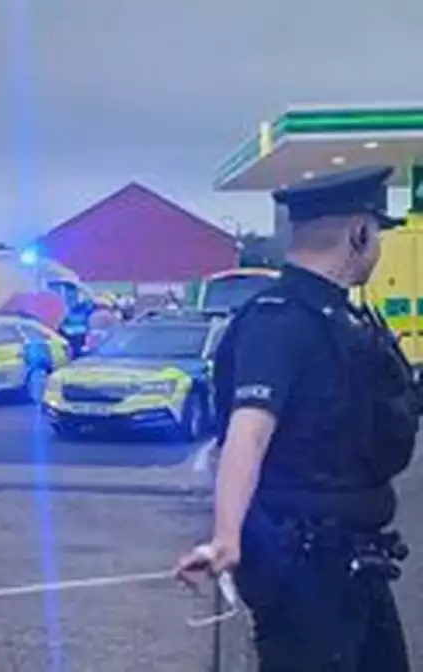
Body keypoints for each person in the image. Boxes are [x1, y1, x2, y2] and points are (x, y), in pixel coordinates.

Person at [174, 165, 416, 670]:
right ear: (360, 232)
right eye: (377, 235)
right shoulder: (280, 320)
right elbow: (248, 432)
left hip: (354, 561)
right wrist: (226, 536)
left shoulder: (343, 317)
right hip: (304, 566)